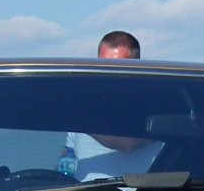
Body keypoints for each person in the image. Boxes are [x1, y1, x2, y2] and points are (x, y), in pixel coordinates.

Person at [62, 31, 153, 176]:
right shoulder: (84, 106)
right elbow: (68, 160)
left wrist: (76, 120)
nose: (109, 71)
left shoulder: (150, 103)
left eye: (118, 66)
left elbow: (129, 142)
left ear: (138, 65)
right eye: (103, 64)